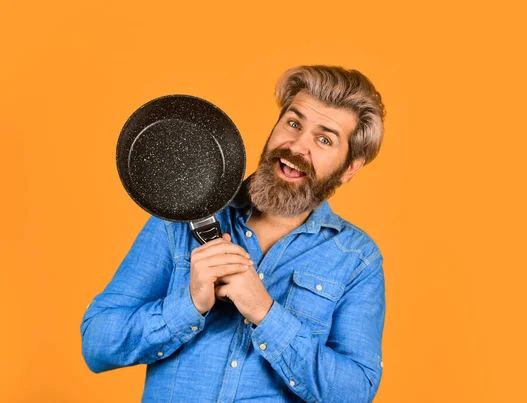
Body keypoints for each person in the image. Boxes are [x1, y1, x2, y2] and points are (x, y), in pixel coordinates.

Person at [81, 65, 387, 403]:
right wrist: (190, 304)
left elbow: (356, 392)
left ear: (350, 168)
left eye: (324, 139)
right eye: (294, 123)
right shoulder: (184, 210)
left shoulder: (357, 259)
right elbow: (97, 342)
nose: (298, 146)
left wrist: (265, 313)